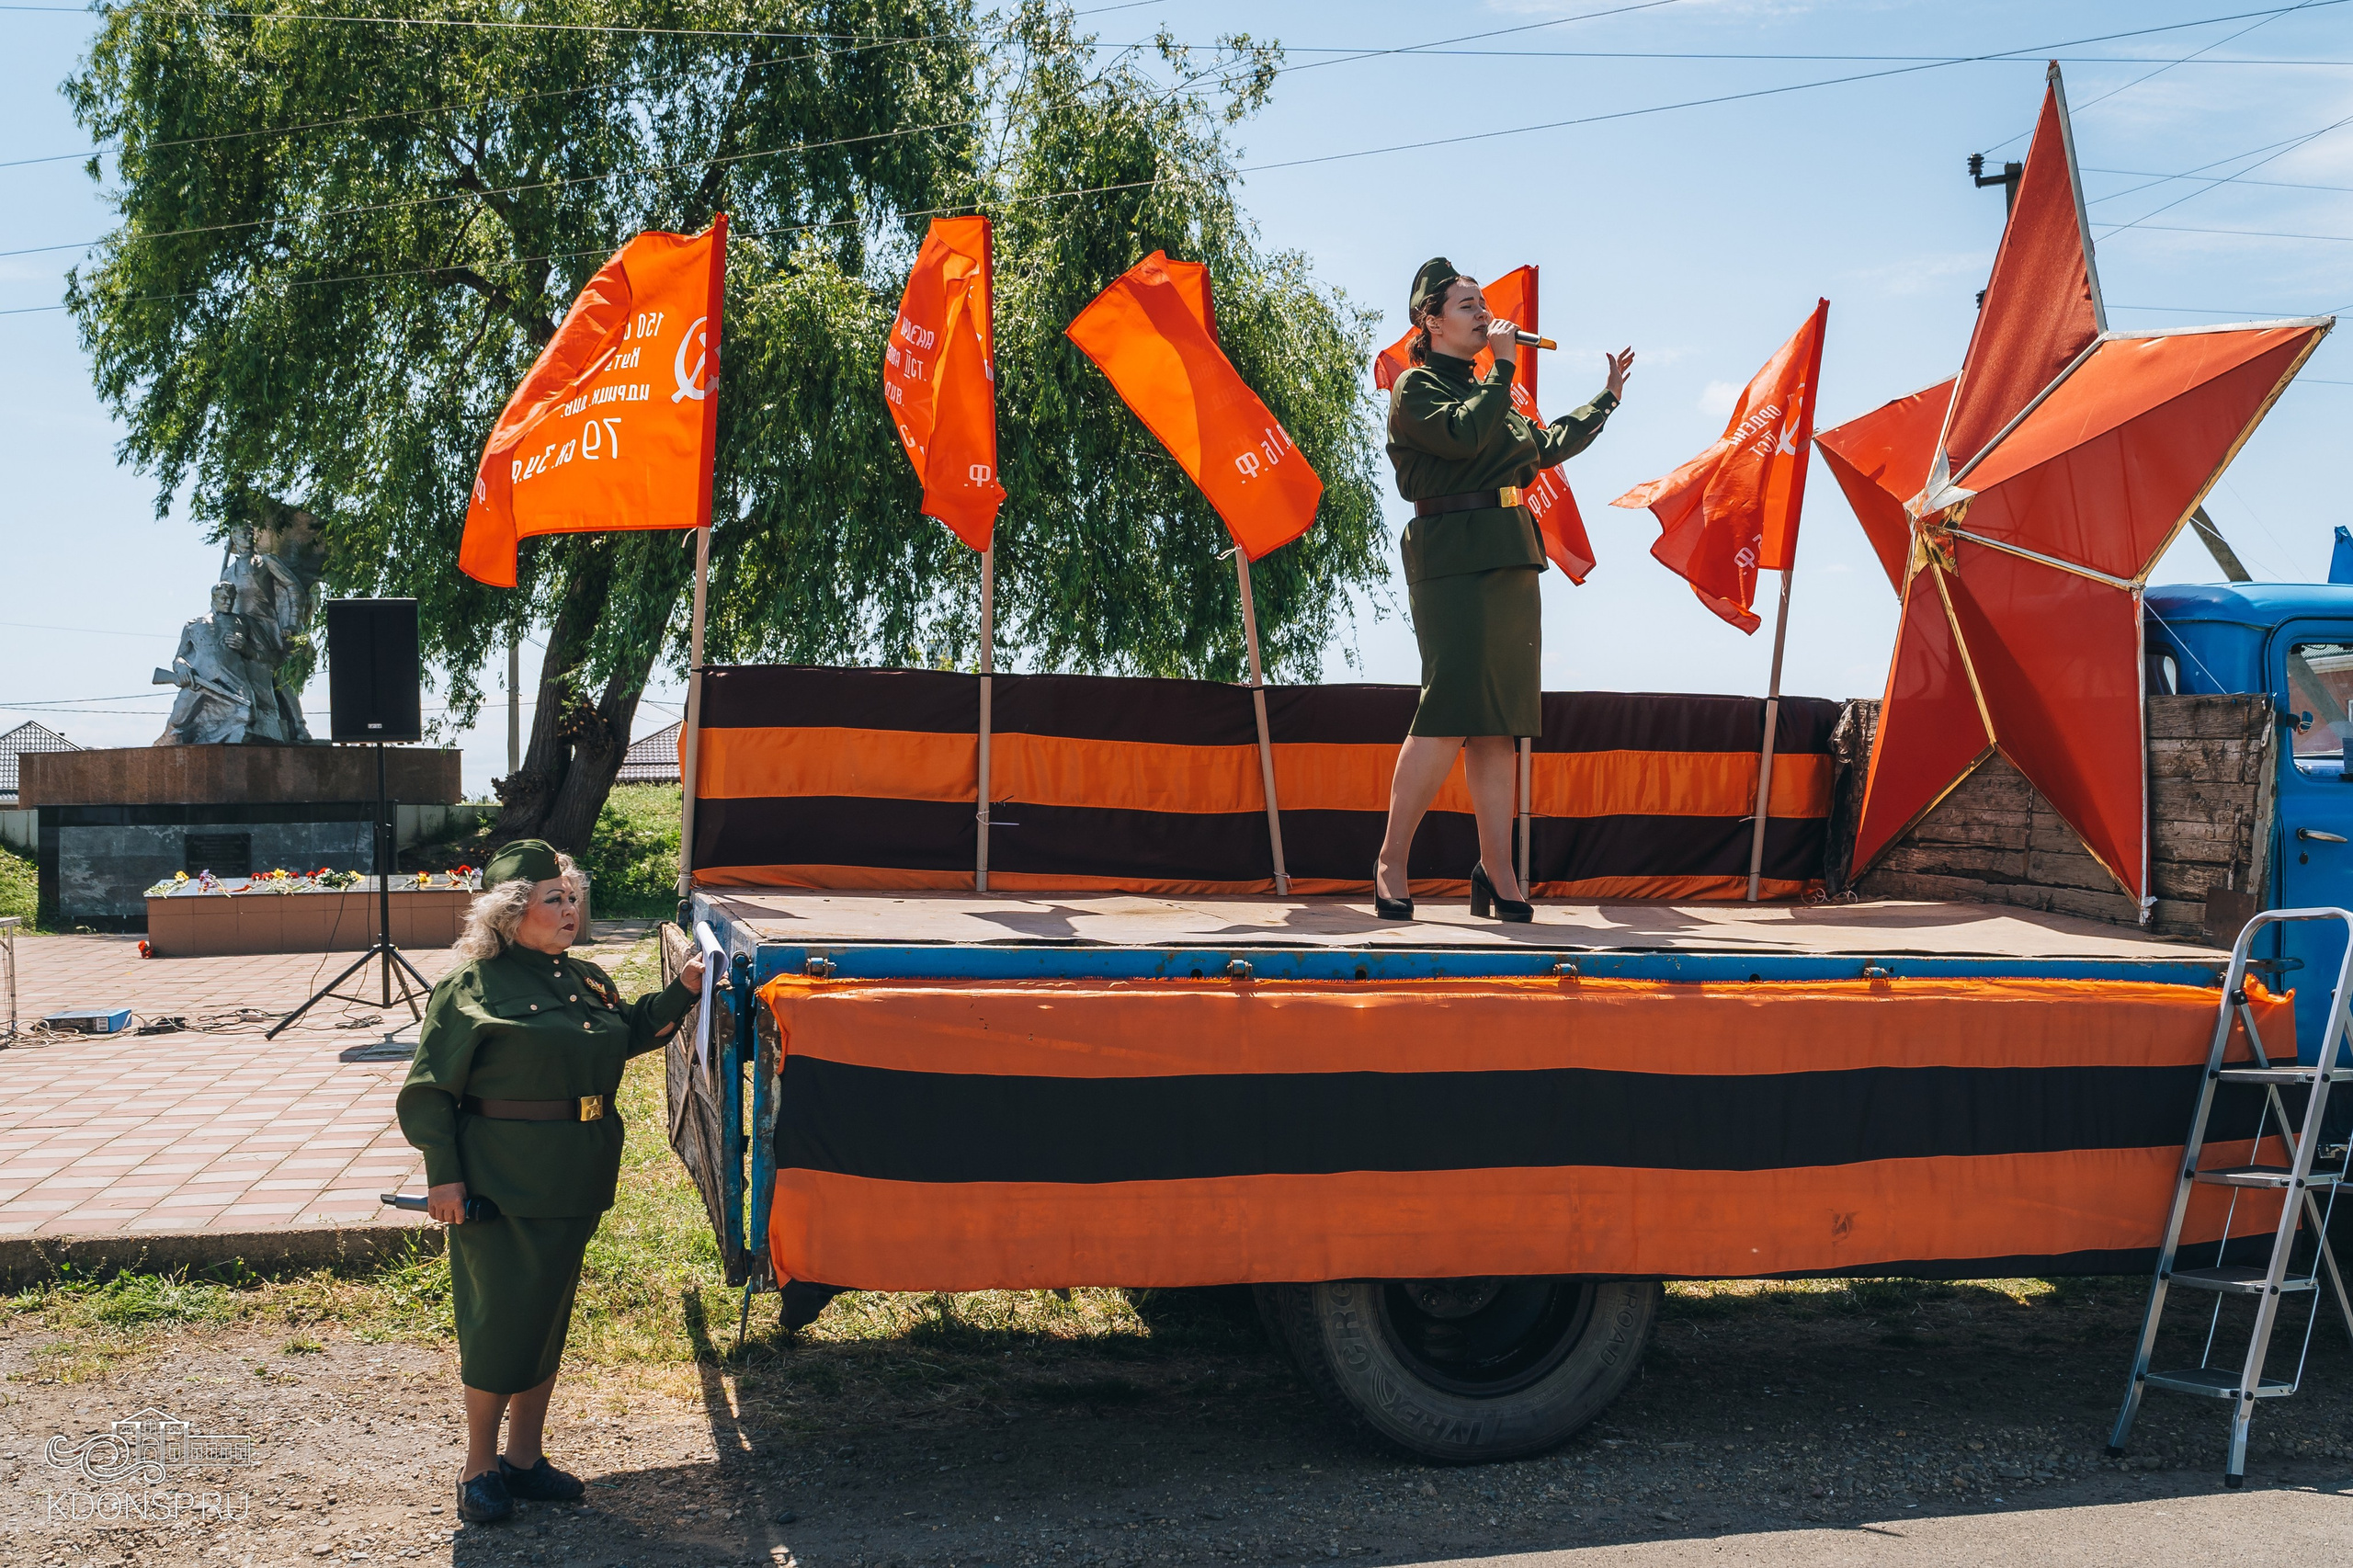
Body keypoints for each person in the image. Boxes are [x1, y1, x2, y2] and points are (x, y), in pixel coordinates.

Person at [396, 839, 705, 1524]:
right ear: (512, 913)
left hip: (574, 1172)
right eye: (553, 900)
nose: (570, 910)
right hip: (500, 1180)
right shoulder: (469, 987)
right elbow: (427, 1093)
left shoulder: (584, 978)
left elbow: (625, 1033)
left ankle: (525, 1460)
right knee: (499, 1320)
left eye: (572, 897)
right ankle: (479, 1466)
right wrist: (443, 1180)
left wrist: (679, 995)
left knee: (545, 1319)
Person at [1373, 257, 1633, 922]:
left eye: (1482, 304)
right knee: (1448, 708)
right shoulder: (1417, 388)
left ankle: (1498, 870)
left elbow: (1540, 447)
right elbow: (1462, 436)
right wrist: (1507, 367)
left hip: (1511, 556)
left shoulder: (1493, 389)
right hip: (1453, 554)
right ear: (1429, 322)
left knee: (1498, 725)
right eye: (1467, 306)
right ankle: (1391, 862)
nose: (1484, 315)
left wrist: (1604, 400)